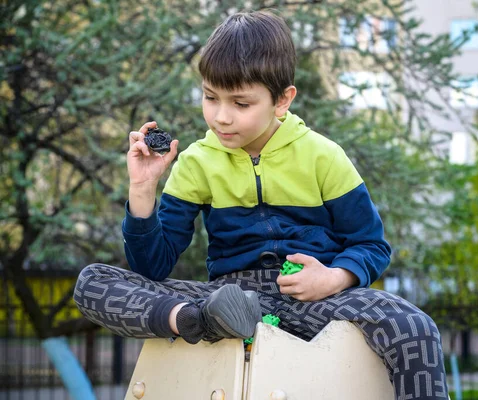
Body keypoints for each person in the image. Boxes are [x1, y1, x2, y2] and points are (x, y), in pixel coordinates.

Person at [74, 10, 448, 399]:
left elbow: (372, 245)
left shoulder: (325, 156)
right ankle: (190, 320)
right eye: (210, 97)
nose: (221, 117)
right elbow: (152, 267)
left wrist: (333, 278)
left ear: (282, 100)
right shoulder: (197, 162)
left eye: (240, 103)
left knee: (414, 327)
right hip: (226, 304)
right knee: (93, 282)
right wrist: (143, 188)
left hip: (312, 299)